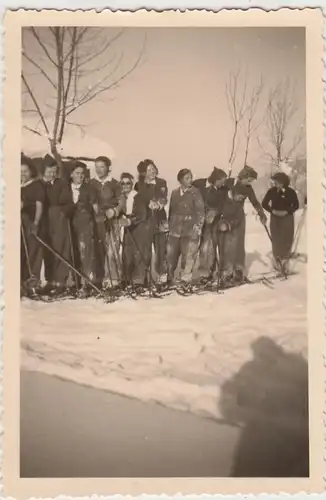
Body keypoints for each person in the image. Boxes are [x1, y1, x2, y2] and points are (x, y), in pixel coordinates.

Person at [166, 168, 205, 291]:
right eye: (187, 178)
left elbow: (200, 212)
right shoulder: (174, 193)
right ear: (180, 180)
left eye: (191, 177)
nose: (190, 180)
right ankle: (169, 277)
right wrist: (169, 225)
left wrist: (198, 226)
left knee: (188, 255)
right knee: (171, 255)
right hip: (175, 230)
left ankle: (185, 278)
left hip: (189, 229)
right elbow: (171, 211)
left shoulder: (195, 192)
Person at [193, 167, 234, 281]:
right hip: (204, 223)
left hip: (219, 221)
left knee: (225, 246)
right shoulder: (199, 185)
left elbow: (226, 205)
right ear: (216, 179)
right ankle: (206, 274)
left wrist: (216, 212)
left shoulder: (224, 190)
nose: (223, 183)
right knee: (206, 247)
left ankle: (227, 272)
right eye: (222, 181)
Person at [40, 161, 74, 296]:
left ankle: (60, 282)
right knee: (47, 250)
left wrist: (63, 212)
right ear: (43, 171)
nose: (52, 174)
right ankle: (50, 281)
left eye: (54, 171)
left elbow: (69, 203)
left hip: (59, 219)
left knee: (60, 249)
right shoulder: (39, 184)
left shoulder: (62, 184)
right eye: (49, 171)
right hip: (44, 219)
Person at [229, 165, 267, 283]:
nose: (249, 183)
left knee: (239, 244)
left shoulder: (248, 189)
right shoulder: (230, 183)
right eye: (249, 180)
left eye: (251, 181)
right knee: (228, 244)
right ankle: (227, 271)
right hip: (226, 218)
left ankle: (238, 271)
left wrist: (261, 214)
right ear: (243, 176)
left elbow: (255, 202)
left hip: (239, 217)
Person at [89, 156, 122, 289]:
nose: (99, 170)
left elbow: (121, 200)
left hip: (112, 221)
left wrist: (115, 210)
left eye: (102, 166)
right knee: (97, 250)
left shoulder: (114, 183)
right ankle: (97, 280)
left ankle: (112, 280)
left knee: (112, 250)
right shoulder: (91, 183)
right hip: (96, 222)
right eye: (96, 167)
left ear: (108, 168)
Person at [135, 159, 169, 284]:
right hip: (145, 221)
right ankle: (143, 278)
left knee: (161, 249)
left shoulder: (161, 182)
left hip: (159, 220)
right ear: (143, 173)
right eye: (148, 170)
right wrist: (146, 204)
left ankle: (162, 278)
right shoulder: (139, 185)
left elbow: (163, 197)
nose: (152, 171)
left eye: (153, 168)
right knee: (144, 250)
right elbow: (139, 200)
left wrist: (159, 203)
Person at [69, 162, 98, 297]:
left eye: (82, 173)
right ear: (71, 174)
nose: (80, 176)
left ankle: (86, 285)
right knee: (73, 253)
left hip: (86, 225)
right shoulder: (66, 188)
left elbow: (95, 207)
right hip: (69, 226)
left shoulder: (89, 189)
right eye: (77, 173)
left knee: (85, 254)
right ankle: (75, 283)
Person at [119, 179, 155, 290]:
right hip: (129, 228)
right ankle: (128, 280)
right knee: (127, 253)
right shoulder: (122, 197)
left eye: (128, 183)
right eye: (123, 183)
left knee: (139, 253)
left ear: (132, 184)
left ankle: (139, 281)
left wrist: (130, 220)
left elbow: (142, 213)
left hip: (140, 227)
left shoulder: (137, 196)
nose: (125, 185)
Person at [262, 171, 299, 272]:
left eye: (277, 182)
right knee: (276, 239)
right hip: (275, 218)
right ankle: (277, 261)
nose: (275, 184)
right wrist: (272, 211)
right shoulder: (271, 191)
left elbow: (296, 205)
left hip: (287, 218)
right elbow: (264, 203)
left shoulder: (291, 192)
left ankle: (285, 262)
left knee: (286, 239)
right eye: (274, 182)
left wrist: (287, 212)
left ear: (283, 182)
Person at [20, 155, 45, 295]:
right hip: (19, 223)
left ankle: (31, 284)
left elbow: (39, 205)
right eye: (20, 171)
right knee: (21, 252)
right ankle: (21, 284)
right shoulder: (17, 185)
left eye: (25, 171)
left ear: (31, 172)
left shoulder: (36, 185)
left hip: (31, 221)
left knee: (32, 253)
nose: (22, 173)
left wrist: (36, 222)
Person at [215, 186, 247, 285]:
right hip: (225, 232)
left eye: (243, 198)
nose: (241, 200)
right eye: (240, 197)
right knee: (225, 251)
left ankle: (237, 273)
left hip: (235, 231)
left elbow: (238, 218)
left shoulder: (238, 206)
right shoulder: (224, 201)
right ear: (234, 193)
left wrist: (229, 224)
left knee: (238, 251)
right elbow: (219, 214)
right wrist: (221, 223)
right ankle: (225, 273)